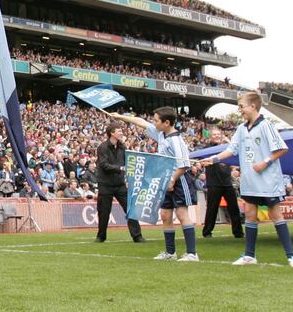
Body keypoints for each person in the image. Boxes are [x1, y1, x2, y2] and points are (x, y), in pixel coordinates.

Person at [206, 92, 293, 267]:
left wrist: (265, 162)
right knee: (250, 215)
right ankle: (249, 255)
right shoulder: (241, 129)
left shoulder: (266, 125)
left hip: (268, 181)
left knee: (276, 215)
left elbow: (282, 148)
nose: (240, 110)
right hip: (250, 181)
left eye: (242, 106)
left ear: (253, 106)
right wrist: (214, 159)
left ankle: (291, 256)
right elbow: (232, 149)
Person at [112, 108, 199, 261]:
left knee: (181, 213)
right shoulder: (161, 134)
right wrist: (119, 116)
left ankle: (192, 253)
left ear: (166, 123)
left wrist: (172, 179)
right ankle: (170, 253)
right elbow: (142, 122)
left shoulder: (176, 140)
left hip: (179, 179)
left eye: (156, 120)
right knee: (165, 215)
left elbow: (184, 164)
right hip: (166, 179)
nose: (153, 122)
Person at [93, 122, 145, 243]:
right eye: (119, 131)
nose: (121, 133)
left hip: (120, 184)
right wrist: (120, 168)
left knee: (130, 209)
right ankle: (101, 236)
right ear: (112, 133)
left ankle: (137, 235)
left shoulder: (122, 147)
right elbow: (104, 165)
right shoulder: (102, 147)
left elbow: (129, 161)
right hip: (105, 184)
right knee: (104, 211)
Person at [202, 131, 243, 239]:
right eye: (214, 134)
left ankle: (238, 232)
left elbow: (235, 153)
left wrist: (228, 143)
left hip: (227, 182)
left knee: (234, 208)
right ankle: (207, 232)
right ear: (210, 137)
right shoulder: (207, 148)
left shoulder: (226, 148)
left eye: (218, 134)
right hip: (213, 183)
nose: (217, 136)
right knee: (212, 209)